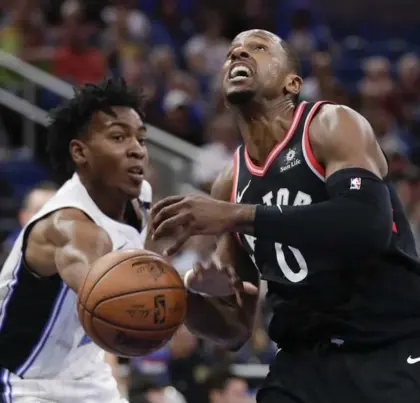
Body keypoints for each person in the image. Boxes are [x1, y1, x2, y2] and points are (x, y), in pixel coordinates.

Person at [150, 30, 420, 403]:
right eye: (231, 53)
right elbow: (236, 330)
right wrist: (178, 297)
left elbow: (366, 224)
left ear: (292, 83)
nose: (239, 53)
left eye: (257, 48)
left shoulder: (330, 125)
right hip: (301, 363)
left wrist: (240, 215)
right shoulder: (229, 182)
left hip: (386, 347)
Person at [0, 78, 152, 402]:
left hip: (87, 372)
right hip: (24, 381)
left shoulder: (141, 198)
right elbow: (110, 300)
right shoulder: (66, 224)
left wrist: (195, 280)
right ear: (80, 152)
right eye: (118, 136)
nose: (136, 148)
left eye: (140, 138)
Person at [3, 182, 57, 253]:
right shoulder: (5, 258)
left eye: (55, 211)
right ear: (23, 217)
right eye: (39, 211)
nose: (48, 218)